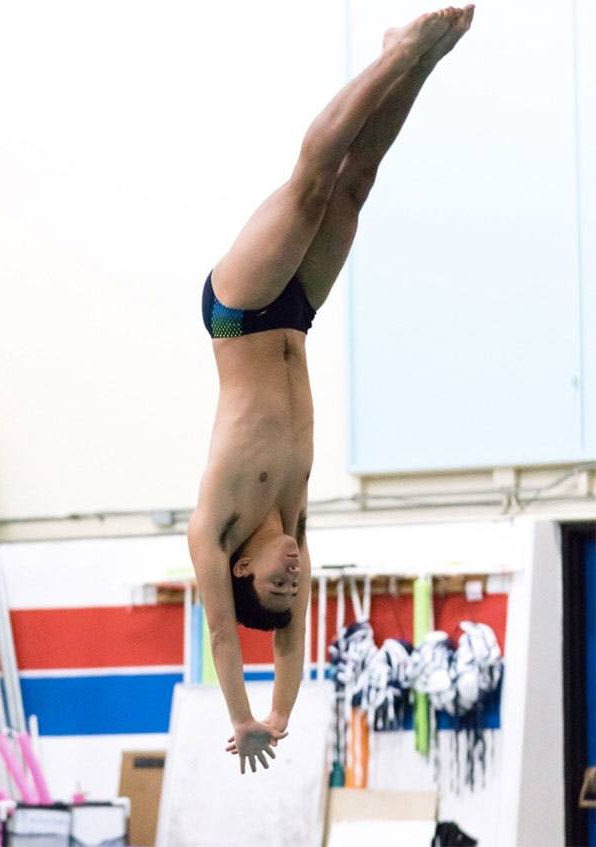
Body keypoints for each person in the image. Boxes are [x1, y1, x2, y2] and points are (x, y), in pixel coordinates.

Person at [187, 4, 475, 775]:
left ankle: (396, 55)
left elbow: (225, 633)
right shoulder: (296, 521)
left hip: (239, 311)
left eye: (276, 583)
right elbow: (291, 640)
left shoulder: (216, 529)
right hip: (297, 316)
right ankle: (418, 63)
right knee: (356, 189)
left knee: (313, 188)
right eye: (297, 588)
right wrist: (284, 711)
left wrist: (246, 717)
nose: (293, 577)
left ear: (242, 571)